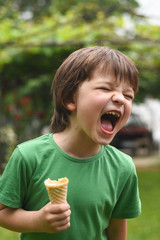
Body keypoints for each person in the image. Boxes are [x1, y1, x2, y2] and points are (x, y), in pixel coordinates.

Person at [0, 46, 141, 240]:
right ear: (69, 98)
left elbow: (117, 232)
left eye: (128, 95)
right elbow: (3, 212)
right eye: (105, 88)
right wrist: (37, 221)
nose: (120, 99)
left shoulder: (123, 167)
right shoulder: (28, 156)